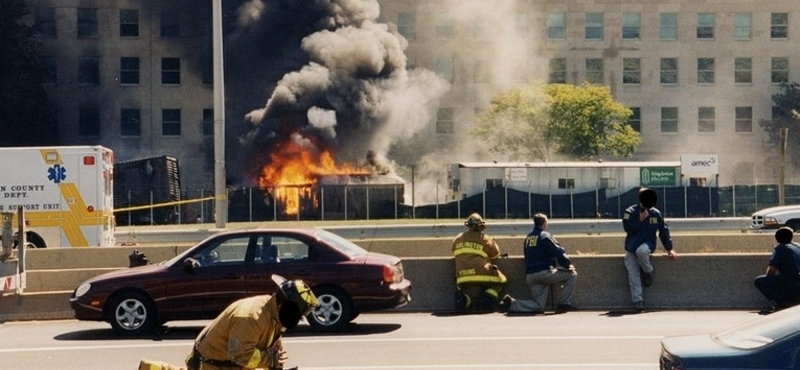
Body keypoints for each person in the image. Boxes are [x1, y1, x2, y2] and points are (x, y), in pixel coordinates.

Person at [137, 275, 319, 370]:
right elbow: (238, 355)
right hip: (215, 363)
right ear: (284, 305)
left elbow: (272, 350)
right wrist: (269, 360)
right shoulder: (250, 317)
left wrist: (274, 363)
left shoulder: (274, 317)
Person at [499, 213, 577, 315]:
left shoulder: (528, 238)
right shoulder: (545, 236)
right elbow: (558, 252)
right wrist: (567, 265)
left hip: (531, 276)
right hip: (544, 273)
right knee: (572, 274)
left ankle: (511, 303)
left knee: (538, 306)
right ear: (544, 223)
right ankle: (563, 304)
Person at [622, 187, 678, 312]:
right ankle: (638, 301)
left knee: (641, 252)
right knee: (633, 275)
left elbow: (663, 231)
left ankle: (648, 271)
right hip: (631, 247)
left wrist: (669, 249)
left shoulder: (655, 213)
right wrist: (639, 220)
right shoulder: (629, 212)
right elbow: (627, 228)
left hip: (647, 244)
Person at [452, 213, 508, 312]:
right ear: (481, 226)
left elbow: (454, 252)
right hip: (481, 272)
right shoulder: (485, 239)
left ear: (468, 225)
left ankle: (465, 300)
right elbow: (495, 255)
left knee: (472, 291)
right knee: (501, 282)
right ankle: (486, 300)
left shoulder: (457, 239)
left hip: (462, 276)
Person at [754, 226, 800, 313]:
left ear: (776, 238)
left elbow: (771, 270)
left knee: (759, 281)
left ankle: (781, 304)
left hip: (793, 283)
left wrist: (769, 280)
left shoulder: (780, 248)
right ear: (791, 237)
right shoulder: (798, 246)